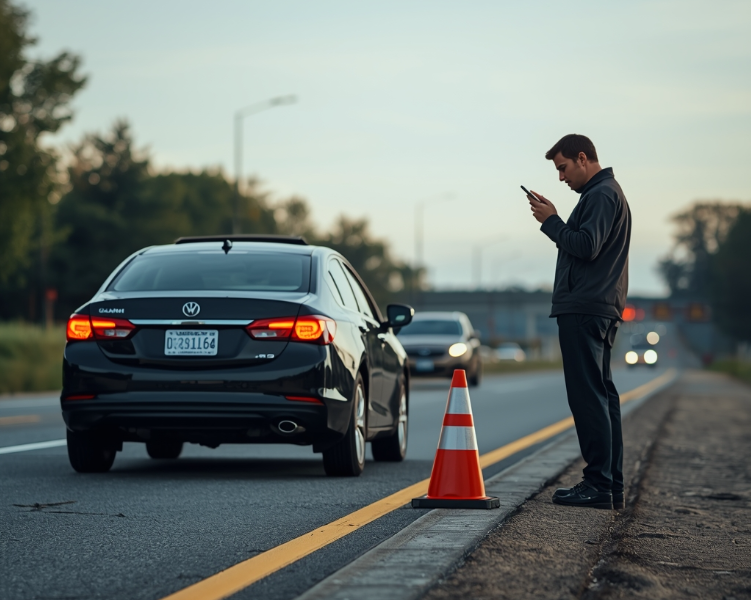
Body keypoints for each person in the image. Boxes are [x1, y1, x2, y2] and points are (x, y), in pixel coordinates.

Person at [526, 134, 631, 510]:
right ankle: (610, 485)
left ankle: (599, 484)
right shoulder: (601, 194)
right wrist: (556, 217)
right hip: (596, 305)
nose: (561, 177)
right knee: (601, 396)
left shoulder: (601, 195)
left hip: (586, 307)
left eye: (563, 168)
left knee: (588, 396)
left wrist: (551, 221)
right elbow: (586, 242)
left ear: (583, 158)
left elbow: (586, 246)